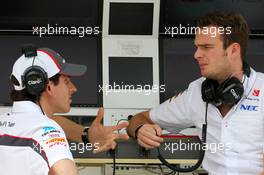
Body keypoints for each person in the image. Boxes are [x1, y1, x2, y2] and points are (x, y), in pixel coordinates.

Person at [127, 11, 264, 175]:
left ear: (233, 50)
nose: (196, 55)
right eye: (197, 47)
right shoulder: (197, 92)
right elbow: (139, 119)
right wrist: (140, 129)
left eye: (206, 47)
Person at [0, 46, 128, 175]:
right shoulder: (46, 130)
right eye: (66, 82)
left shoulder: (6, 122)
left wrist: (87, 135)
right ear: (48, 87)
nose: (74, 88)